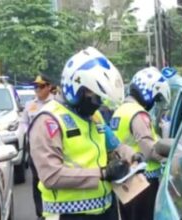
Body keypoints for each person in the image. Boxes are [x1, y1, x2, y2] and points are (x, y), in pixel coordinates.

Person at [28, 47, 138, 220]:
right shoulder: (49, 120)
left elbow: (114, 145)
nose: (98, 103)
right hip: (68, 214)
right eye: (94, 97)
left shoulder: (95, 116)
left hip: (105, 209)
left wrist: (133, 156)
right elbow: (51, 175)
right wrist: (102, 174)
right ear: (77, 89)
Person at [110, 67, 172, 220]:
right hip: (143, 181)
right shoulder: (137, 113)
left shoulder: (120, 111)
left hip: (125, 180)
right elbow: (149, 149)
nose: (154, 103)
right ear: (148, 91)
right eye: (156, 97)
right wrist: (171, 156)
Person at [18, 74, 54, 220]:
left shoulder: (56, 104)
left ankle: (53, 208)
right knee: (37, 180)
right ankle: (41, 212)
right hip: (34, 148)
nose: (37, 89)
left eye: (41, 86)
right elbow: (23, 122)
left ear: (49, 87)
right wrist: (30, 132)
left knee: (52, 177)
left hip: (53, 147)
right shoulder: (30, 105)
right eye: (36, 86)